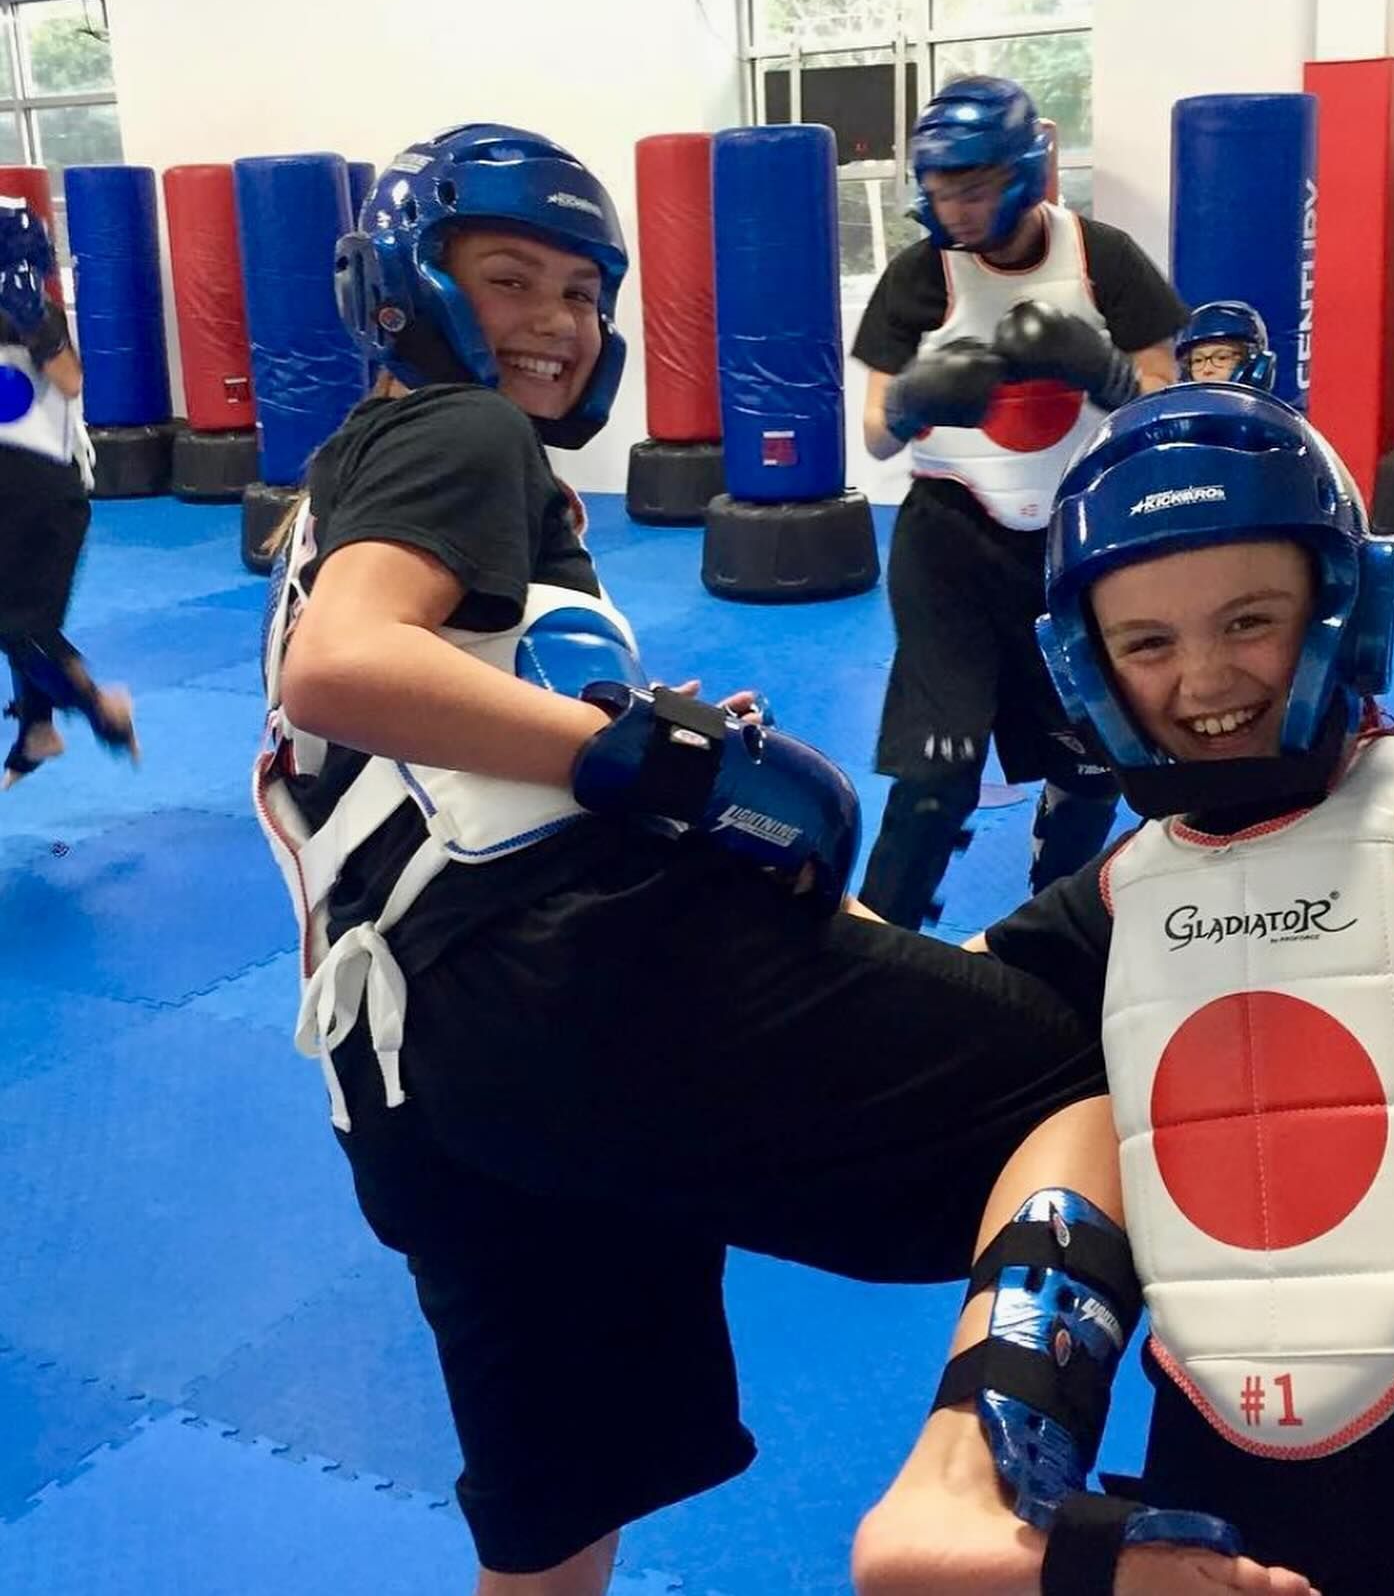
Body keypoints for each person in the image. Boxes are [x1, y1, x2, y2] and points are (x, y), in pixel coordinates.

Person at [253, 121, 1124, 1596]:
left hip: (416, 1078)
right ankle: (975, 1490)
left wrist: (655, 772)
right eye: (513, 279)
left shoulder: (329, 490)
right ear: (410, 283)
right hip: (561, 982)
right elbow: (339, 673)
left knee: (558, 1510)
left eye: (583, 294)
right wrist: (648, 763)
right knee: (1097, 1086)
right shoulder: (456, 433)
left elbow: (394, 740)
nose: (556, 324)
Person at [851, 385, 1394, 1596]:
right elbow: (911, 1000)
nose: (1204, 677)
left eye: (1251, 621)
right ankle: (967, 1467)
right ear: (1091, 665)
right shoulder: (1127, 890)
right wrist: (738, 880)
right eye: (1149, 643)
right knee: (1078, 1105)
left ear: (1339, 612)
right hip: (1226, 1483)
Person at [854, 75, 1191, 931]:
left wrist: (1106, 372)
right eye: (937, 191)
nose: (954, 210)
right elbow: (876, 437)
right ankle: (879, 944)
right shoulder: (917, 274)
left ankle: (1047, 927)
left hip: (1081, 544)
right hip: (949, 541)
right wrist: (914, 399)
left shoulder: (1101, 257)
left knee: (1092, 761)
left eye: (970, 188)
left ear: (1024, 172)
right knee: (939, 768)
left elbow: (1165, 393)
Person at [0, 196, 136, 788]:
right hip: (17, 487)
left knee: (19, 623)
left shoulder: (33, 312)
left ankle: (102, 713)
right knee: (17, 617)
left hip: (40, 495)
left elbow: (72, 381)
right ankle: (38, 725)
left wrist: (30, 320)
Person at [1177, 300, 1276, 390]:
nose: (1207, 370)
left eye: (1222, 357)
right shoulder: (1175, 409)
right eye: (1197, 360)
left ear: (1255, 366)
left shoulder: (1274, 410)